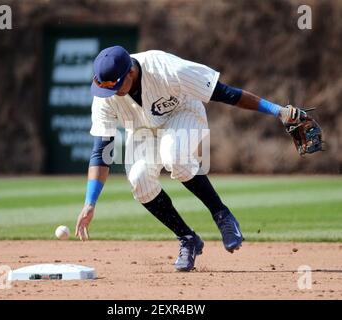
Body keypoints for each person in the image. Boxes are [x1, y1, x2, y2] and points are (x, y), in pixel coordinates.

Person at [75, 45, 305, 272]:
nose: (111, 93)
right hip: (142, 131)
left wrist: (278, 111)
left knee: (174, 156)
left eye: (115, 87)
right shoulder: (104, 95)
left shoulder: (166, 68)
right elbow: (101, 151)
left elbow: (226, 93)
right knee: (139, 180)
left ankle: (222, 215)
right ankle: (188, 239)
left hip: (183, 114)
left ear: (131, 72)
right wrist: (90, 202)